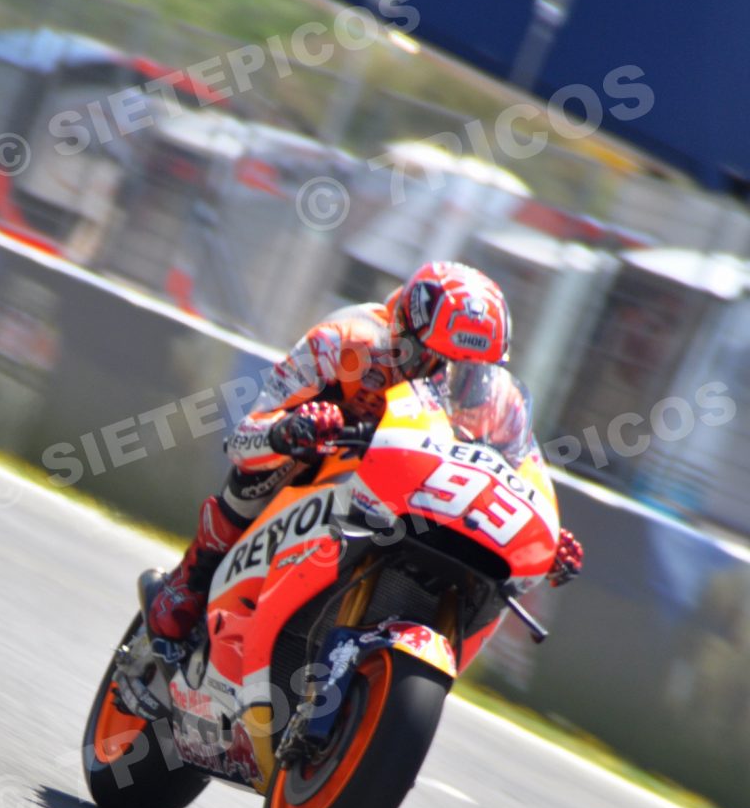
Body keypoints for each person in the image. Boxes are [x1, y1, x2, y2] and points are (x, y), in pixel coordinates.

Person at [148, 261, 584, 641]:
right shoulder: (345, 341)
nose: (448, 378)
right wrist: (289, 431)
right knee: (271, 463)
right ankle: (193, 577)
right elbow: (245, 436)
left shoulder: (497, 402)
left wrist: (542, 540)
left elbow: (517, 473)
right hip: (323, 462)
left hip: (413, 492)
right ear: (401, 333)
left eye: (470, 369)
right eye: (432, 359)